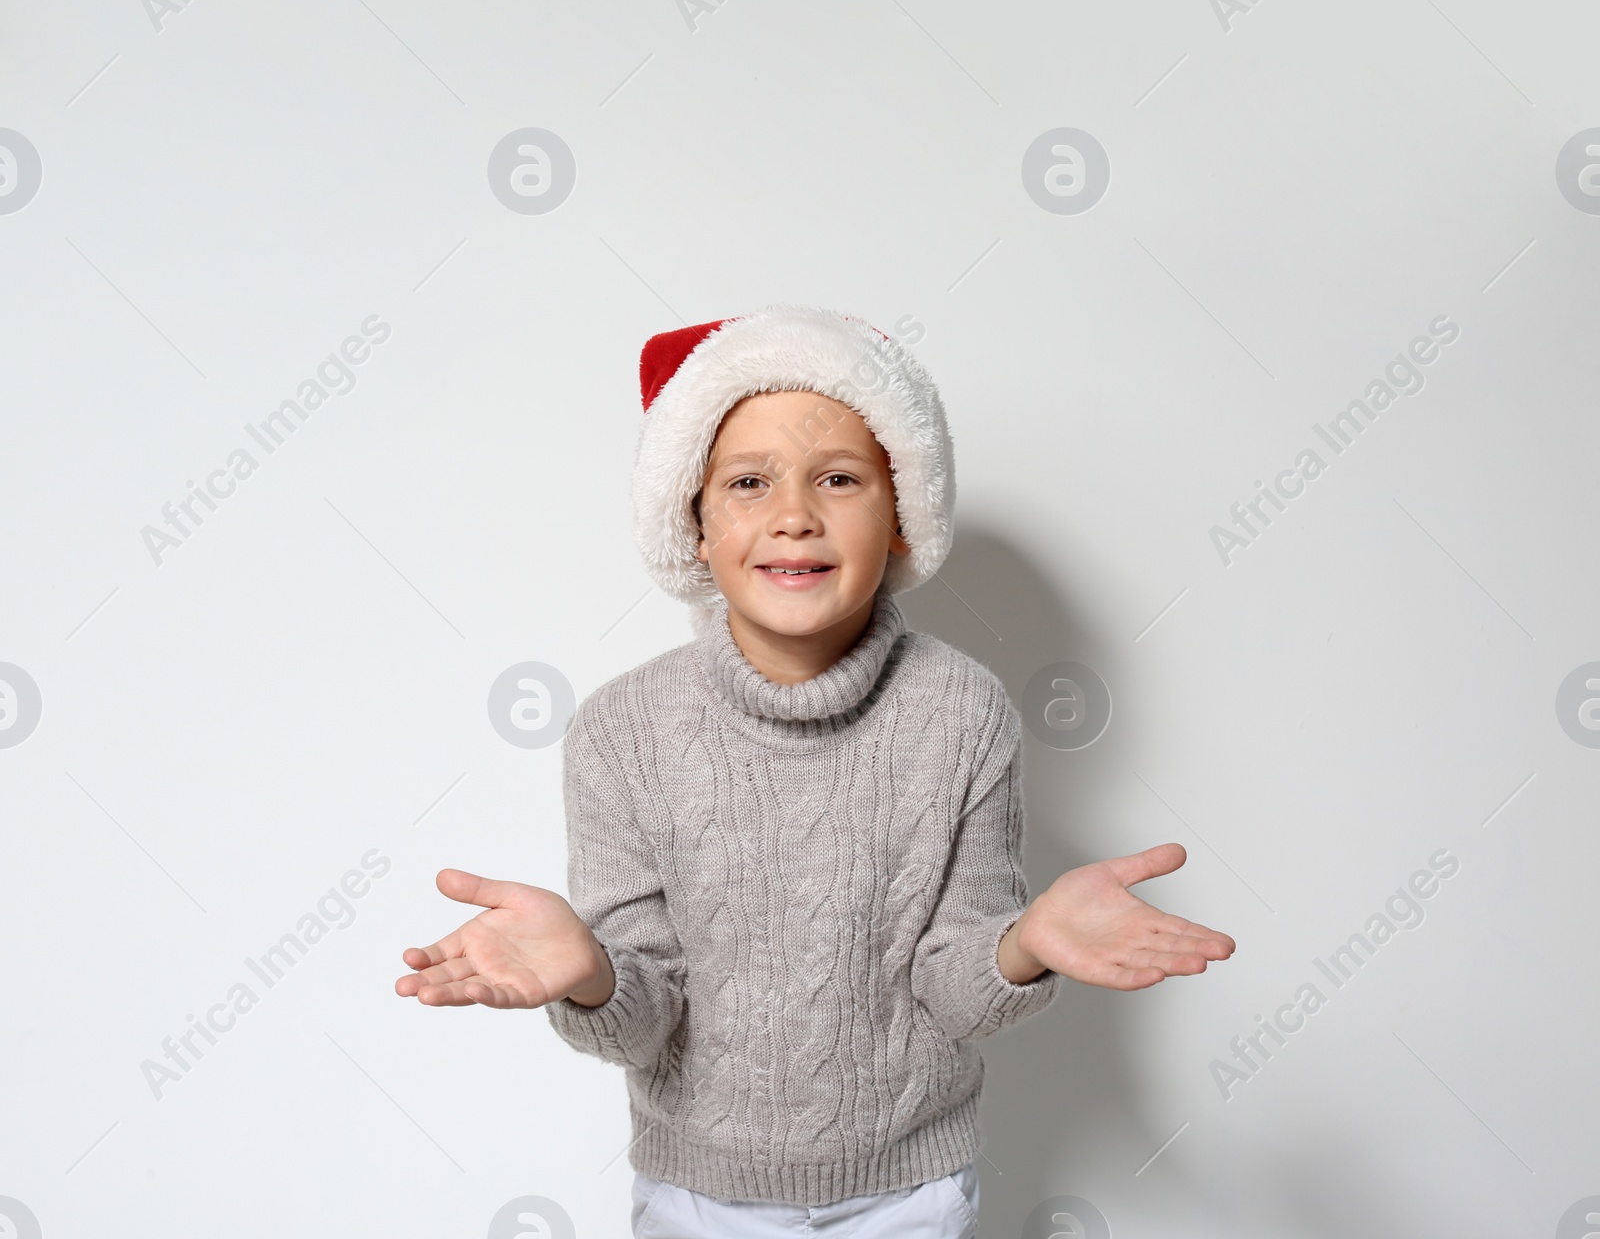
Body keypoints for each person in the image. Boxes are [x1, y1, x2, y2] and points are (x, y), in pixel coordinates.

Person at [395, 305, 1235, 1237]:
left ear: (904, 516)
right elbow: (643, 1019)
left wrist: (1026, 939)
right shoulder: (622, 732)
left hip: (909, 1196)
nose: (793, 515)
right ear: (696, 526)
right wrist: (590, 971)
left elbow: (954, 988)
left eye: (838, 478)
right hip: (700, 1200)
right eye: (749, 482)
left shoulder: (963, 713)